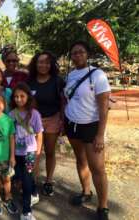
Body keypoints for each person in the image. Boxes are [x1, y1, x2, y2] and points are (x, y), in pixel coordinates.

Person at [64, 41, 110, 220]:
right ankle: (86, 192)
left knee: (97, 167)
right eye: (74, 53)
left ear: (87, 54)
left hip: (91, 126)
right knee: (80, 160)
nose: (77, 56)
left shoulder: (98, 75)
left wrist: (100, 134)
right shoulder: (70, 74)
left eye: (81, 52)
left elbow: (104, 105)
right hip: (72, 124)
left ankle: (103, 206)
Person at [27, 51, 65, 196]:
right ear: (35, 64)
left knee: (49, 152)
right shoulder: (29, 81)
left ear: (51, 65)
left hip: (52, 120)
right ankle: (32, 181)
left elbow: (63, 101)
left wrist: (62, 121)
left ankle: (49, 181)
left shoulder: (57, 81)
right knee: (33, 152)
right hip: (33, 122)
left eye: (47, 62)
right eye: (40, 62)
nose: (43, 65)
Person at [9, 83, 43, 220]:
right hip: (16, 152)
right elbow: (10, 135)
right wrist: (11, 155)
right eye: (16, 96)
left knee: (27, 179)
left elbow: (39, 134)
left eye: (22, 96)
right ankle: (34, 191)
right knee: (18, 176)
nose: (19, 99)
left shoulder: (34, 114)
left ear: (28, 97)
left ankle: (26, 211)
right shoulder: (11, 114)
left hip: (30, 152)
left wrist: (38, 153)